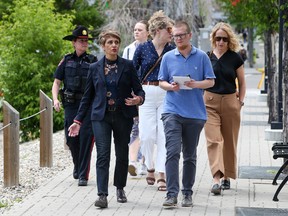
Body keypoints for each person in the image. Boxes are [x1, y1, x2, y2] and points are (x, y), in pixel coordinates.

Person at [68, 29, 145, 208]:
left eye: (116, 42)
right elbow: (88, 96)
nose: (114, 45)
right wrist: (78, 120)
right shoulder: (94, 68)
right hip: (100, 116)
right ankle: (102, 194)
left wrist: (138, 99)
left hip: (122, 115)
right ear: (103, 46)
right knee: (103, 154)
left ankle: (120, 187)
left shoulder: (128, 65)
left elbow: (139, 90)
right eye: (109, 42)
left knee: (122, 154)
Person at [158, 20, 215, 208]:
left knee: (189, 155)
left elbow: (211, 82)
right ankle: (171, 194)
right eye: (175, 36)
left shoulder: (202, 57)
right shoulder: (167, 57)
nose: (178, 38)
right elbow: (161, 82)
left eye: (181, 35)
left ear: (190, 35)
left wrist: (195, 84)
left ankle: (187, 193)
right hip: (172, 111)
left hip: (195, 114)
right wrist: (171, 87)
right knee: (172, 152)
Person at [133, 10, 174, 191]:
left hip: (166, 94)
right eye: (168, 30)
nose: (171, 34)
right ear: (158, 30)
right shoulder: (142, 48)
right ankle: (149, 165)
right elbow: (133, 73)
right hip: (147, 93)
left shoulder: (172, 50)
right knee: (147, 135)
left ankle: (161, 173)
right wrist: (134, 95)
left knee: (164, 135)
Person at [52, 25, 97, 186]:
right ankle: (78, 165)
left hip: (87, 105)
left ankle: (84, 174)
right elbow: (56, 83)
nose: (84, 44)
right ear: (74, 42)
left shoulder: (93, 61)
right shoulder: (66, 60)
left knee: (86, 137)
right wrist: (55, 99)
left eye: (86, 41)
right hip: (70, 104)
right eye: (81, 41)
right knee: (71, 139)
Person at [204, 22, 246, 195]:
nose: (221, 42)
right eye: (218, 38)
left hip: (230, 102)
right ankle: (216, 179)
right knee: (214, 140)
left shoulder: (235, 58)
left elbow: (242, 83)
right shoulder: (206, 57)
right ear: (213, 39)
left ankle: (226, 176)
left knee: (229, 141)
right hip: (209, 103)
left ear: (229, 40)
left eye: (224, 39)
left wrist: (240, 102)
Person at [122, 20, 149, 176]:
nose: (136, 32)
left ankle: (145, 162)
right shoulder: (128, 50)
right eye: (135, 29)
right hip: (133, 95)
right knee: (135, 127)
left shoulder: (151, 49)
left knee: (147, 129)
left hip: (148, 93)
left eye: (140, 29)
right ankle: (133, 161)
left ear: (147, 32)